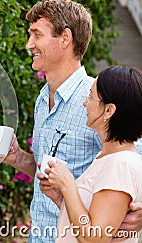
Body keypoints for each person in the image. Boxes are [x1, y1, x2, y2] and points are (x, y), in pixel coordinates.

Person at [1, 0, 142, 242]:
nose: (28, 45)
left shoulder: (99, 103)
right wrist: (19, 159)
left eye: (37, 35)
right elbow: (49, 173)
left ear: (65, 38)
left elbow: (131, 164)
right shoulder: (43, 99)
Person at [42, 65, 142, 242]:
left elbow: (94, 238)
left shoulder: (121, 165)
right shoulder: (106, 158)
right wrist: (62, 198)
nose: (84, 103)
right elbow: (88, 218)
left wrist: (68, 185)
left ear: (109, 111)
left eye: (90, 97)